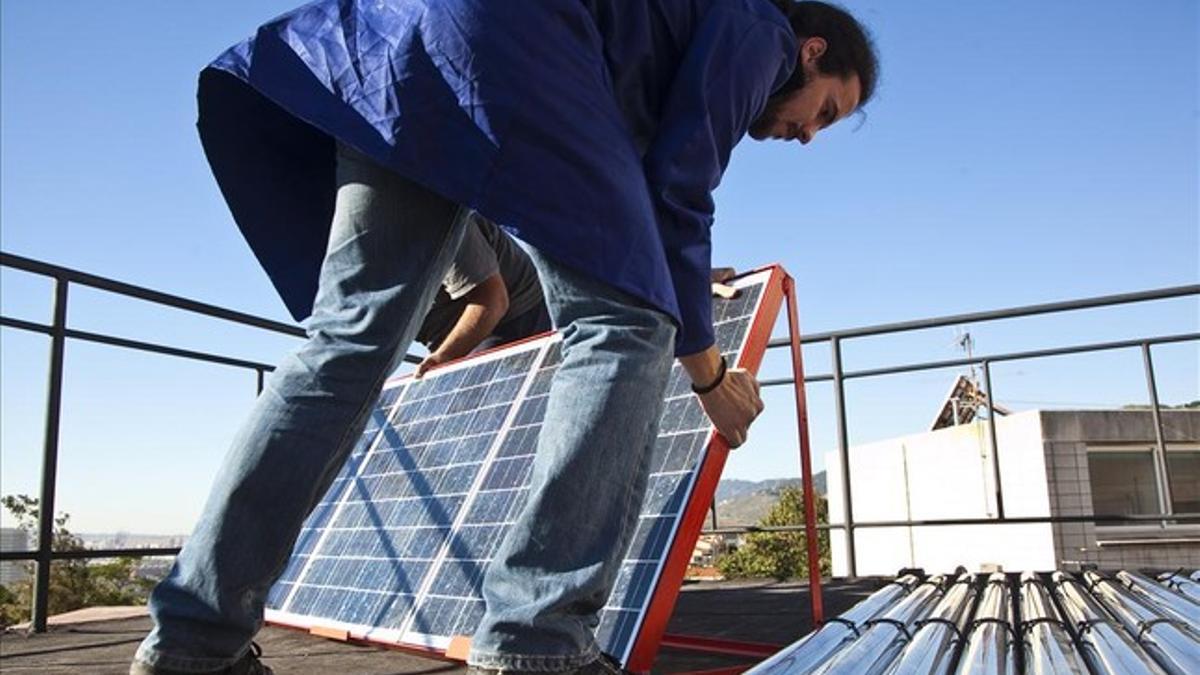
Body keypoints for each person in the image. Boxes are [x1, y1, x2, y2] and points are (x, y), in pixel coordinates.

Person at [131, 1, 878, 674]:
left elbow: (642, 197)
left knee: (347, 345)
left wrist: (668, 271)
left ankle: (195, 641)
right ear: (811, 51)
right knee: (627, 324)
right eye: (828, 110)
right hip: (513, 40)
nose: (808, 135)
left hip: (404, 44)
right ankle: (536, 640)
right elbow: (680, 185)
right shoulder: (762, 30)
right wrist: (712, 376)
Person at [415, 212, 551, 377]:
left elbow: (492, 301)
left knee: (481, 386)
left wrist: (445, 356)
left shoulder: (434, 220)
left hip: (508, 315)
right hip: (442, 331)